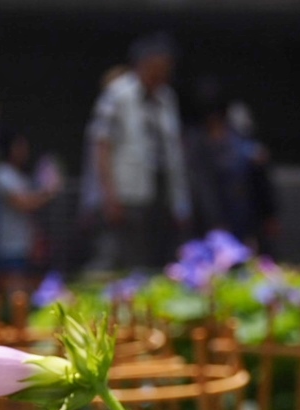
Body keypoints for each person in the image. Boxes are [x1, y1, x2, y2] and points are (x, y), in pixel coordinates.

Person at [88, 33, 190, 271]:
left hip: (162, 192)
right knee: (129, 261)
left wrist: (181, 202)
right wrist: (109, 196)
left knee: (161, 261)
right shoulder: (118, 94)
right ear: (143, 64)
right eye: (158, 67)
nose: (162, 74)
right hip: (128, 195)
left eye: (167, 68)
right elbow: (101, 145)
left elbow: (175, 153)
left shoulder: (167, 98)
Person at [185, 79, 276, 251]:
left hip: (244, 215)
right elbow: (203, 187)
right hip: (211, 216)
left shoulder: (241, 138)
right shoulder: (197, 143)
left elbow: (260, 179)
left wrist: (269, 215)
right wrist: (215, 222)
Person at [0, 129, 60, 292]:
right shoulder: (1, 173)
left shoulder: (19, 175)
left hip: (23, 245)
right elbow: (23, 203)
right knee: (10, 297)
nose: (24, 150)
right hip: (6, 246)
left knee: (22, 294)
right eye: (20, 145)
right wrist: (50, 192)